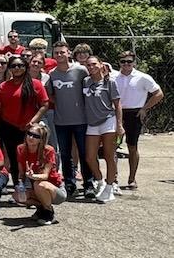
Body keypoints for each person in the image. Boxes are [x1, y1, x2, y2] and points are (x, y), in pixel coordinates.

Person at [0, 56, 49, 182]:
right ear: (9, 69)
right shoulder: (4, 86)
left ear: (25, 67)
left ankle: (34, 185)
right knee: (14, 157)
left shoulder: (36, 84)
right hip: (7, 127)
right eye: (13, 66)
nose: (17, 68)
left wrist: (33, 121)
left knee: (31, 156)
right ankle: (18, 185)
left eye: (20, 66)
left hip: (28, 129)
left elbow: (45, 105)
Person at [113, 51, 163, 190]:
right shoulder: (113, 77)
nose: (126, 64)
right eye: (123, 61)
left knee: (132, 146)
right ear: (119, 63)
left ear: (134, 62)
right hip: (118, 114)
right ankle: (113, 177)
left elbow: (158, 93)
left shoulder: (143, 77)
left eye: (129, 61)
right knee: (114, 146)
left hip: (134, 114)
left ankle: (132, 178)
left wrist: (145, 108)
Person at [46, 41, 89, 196]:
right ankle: (70, 184)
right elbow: (49, 95)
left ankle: (88, 184)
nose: (59, 55)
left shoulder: (81, 70)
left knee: (85, 154)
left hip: (81, 120)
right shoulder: (52, 74)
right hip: (61, 121)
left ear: (69, 53)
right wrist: (61, 102)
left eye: (62, 52)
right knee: (65, 154)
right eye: (56, 52)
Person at [82, 56, 123, 203]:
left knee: (109, 155)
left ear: (101, 65)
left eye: (94, 64)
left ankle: (110, 186)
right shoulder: (86, 81)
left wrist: (119, 125)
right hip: (92, 123)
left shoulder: (110, 82)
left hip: (108, 121)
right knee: (90, 157)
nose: (91, 67)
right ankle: (100, 181)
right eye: (88, 65)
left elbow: (117, 104)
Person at [13, 122, 66, 225]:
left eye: (36, 136)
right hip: (37, 189)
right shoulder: (20, 149)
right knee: (17, 196)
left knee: (39, 184)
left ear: (41, 140)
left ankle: (49, 213)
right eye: (29, 133)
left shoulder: (48, 150)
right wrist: (20, 185)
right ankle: (41, 207)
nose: (31, 137)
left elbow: (45, 175)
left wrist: (33, 176)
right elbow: (21, 173)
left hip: (55, 189)